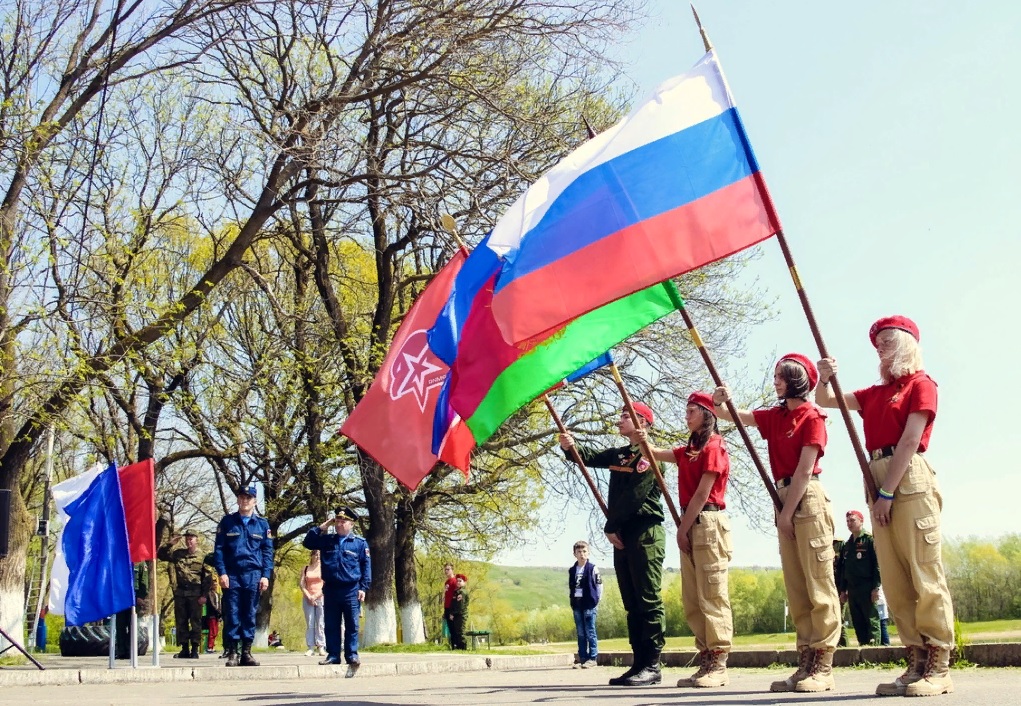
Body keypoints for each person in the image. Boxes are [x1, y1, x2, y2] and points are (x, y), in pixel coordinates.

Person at [817, 316, 955, 697]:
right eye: (877, 343)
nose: (880, 348)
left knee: (923, 570)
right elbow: (826, 400)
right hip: (877, 478)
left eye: (888, 340)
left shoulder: (921, 384)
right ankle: (917, 659)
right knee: (894, 578)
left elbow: (911, 439)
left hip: (906, 478)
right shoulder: (875, 393)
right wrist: (824, 376)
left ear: (909, 343)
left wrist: (888, 492)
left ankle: (940, 662)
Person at [714, 354, 841, 693]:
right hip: (783, 498)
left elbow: (804, 468)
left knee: (818, 582)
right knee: (797, 585)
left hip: (807, 497)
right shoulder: (775, 416)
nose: (776, 382)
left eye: (780, 376)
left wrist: (786, 513)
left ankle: (824, 664)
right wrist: (720, 402)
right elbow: (734, 416)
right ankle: (805, 661)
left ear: (797, 378)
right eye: (775, 376)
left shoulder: (812, 415)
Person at [560, 402, 665, 687]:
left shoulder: (650, 455)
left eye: (625, 416)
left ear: (642, 421)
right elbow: (588, 456)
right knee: (631, 601)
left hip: (644, 531)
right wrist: (570, 446)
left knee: (647, 599)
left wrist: (610, 526)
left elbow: (636, 496)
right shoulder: (620, 454)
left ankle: (653, 664)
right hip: (622, 533)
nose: (619, 420)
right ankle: (639, 661)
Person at [639, 391, 733, 688]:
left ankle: (718, 661)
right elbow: (653, 453)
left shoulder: (714, 446)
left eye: (692, 410)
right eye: (687, 410)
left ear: (707, 414)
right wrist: (642, 440)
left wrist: (682, 528)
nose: (687, 414)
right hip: (690, 521)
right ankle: (705, 656)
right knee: (693, 596)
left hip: (705, 519)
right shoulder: (690, 449)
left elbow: (704, 492)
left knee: (712, 592)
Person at [303, 506, 372, 678]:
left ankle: (352, 654)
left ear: (352, 524)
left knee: (351, 624)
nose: (340, 524)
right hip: (331, 588)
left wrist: (363, 587)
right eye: (338, 521)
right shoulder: (327, 540)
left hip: (351, 589)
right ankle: (333, 654)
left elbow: (366, 566)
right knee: (331, 624)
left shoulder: (359, 543)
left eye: (344, 521)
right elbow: (308, 542)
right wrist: (323, 526)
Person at [213, 484, 274, 668]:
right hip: (232, 574)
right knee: (232, 613)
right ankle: (232, 652)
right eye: (241, 497)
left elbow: (267, 552)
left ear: (254, 501)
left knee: (249, 613)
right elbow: (219, 550)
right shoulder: (227, 522)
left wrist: (265, 575)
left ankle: (246, 652)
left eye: (248, 498)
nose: (244, 501)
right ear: (238, 500)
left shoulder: (262, 525)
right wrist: (222, 573)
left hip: (253, 574)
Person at [158, 529, 209, 659]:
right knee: (181, 621)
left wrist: (204, 595)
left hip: (195, 593)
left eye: (191, 538)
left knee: (195, 621)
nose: (189, 541)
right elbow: (161, 555)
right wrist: (170, 544)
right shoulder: (178, 554)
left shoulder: (202, 556)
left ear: (197, 540)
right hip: (181, 593)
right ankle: (184, 648)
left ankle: (195, 649)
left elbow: (207, 577)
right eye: (187, 538)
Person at [838, 509, 882, 646]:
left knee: (871, 619)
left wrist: (876, 587)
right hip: (852, 588)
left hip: (867, 587)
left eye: (852, 520)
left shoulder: (869, 540)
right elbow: (844, 569)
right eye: (847, 521)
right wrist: (843, 590)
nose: (849, 524)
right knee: (857, 620)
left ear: (861, 521)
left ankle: (874, 650)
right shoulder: (847, 545)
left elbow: (877, 565)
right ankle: (863, 647)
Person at [568, 541, 602, 669]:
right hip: (577, 604)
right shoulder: (572, 570)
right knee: (580, 632)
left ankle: (592, 658)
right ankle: (582, 658)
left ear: (588, 553)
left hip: (589, 604)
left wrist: (596, 600)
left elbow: (599, 586)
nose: (582, 554)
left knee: (590, 631)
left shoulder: (593, 568)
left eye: (584, 551)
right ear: (574, 554)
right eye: (579, 552)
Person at [113, 562, 150, 659]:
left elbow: (144, 581)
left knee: (132, 625)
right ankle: (121, 651)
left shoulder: (140, 563)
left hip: (134, 598)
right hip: (121, 598)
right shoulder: (120, 559)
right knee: (120, 625)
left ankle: (130, 650)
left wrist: (141, 596)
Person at [300, 549, 327, 657]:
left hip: (320, 597)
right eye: (315, 555)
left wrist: (316, 596)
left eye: (319, 555)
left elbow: (326, 584)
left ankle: (321, 646)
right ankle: (310, 647)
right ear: (312, 556)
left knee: (320, 623)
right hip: (308, 598)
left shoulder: (324, 568)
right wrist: (309, 596)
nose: (317, 557)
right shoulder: (306, 568)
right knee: (310, 623)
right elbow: (302, 584)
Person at [201, 553, 222, 654]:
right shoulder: (210, 593)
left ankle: (212, 646)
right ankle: (209, 647)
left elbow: (219, 604)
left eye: (216, 583)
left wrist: (220, 613)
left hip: (217, 616)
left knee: (215, 632)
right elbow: (213, 605)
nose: (215, 584)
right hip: (212, 615)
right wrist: (217, 611)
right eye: (213, 583)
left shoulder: (217, 593)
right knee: (212, 632)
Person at [447, 573, 469, 650]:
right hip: (456, 615)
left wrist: (453, 613)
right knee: (456, 632)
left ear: (464, 582)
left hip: (461, 615)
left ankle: (463, 648)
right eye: (457, 581)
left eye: (460, 581)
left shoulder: (462, 592)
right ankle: (459, 647)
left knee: (460, 632)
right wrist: (451, 613)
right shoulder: (457, 591)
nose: (458, 582)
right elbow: (453, 604)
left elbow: (460, 606)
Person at [442, 563, 458, 648]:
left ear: (452, 570)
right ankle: (452, 645)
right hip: (447, 607)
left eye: (448, 569)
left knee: (454, 627)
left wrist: (453, 610)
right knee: (450, 627)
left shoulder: (454, 581)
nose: (446, 571)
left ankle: (456, 645)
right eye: (445, 569)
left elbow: (455, 596)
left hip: (452, 607)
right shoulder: (447, 582)